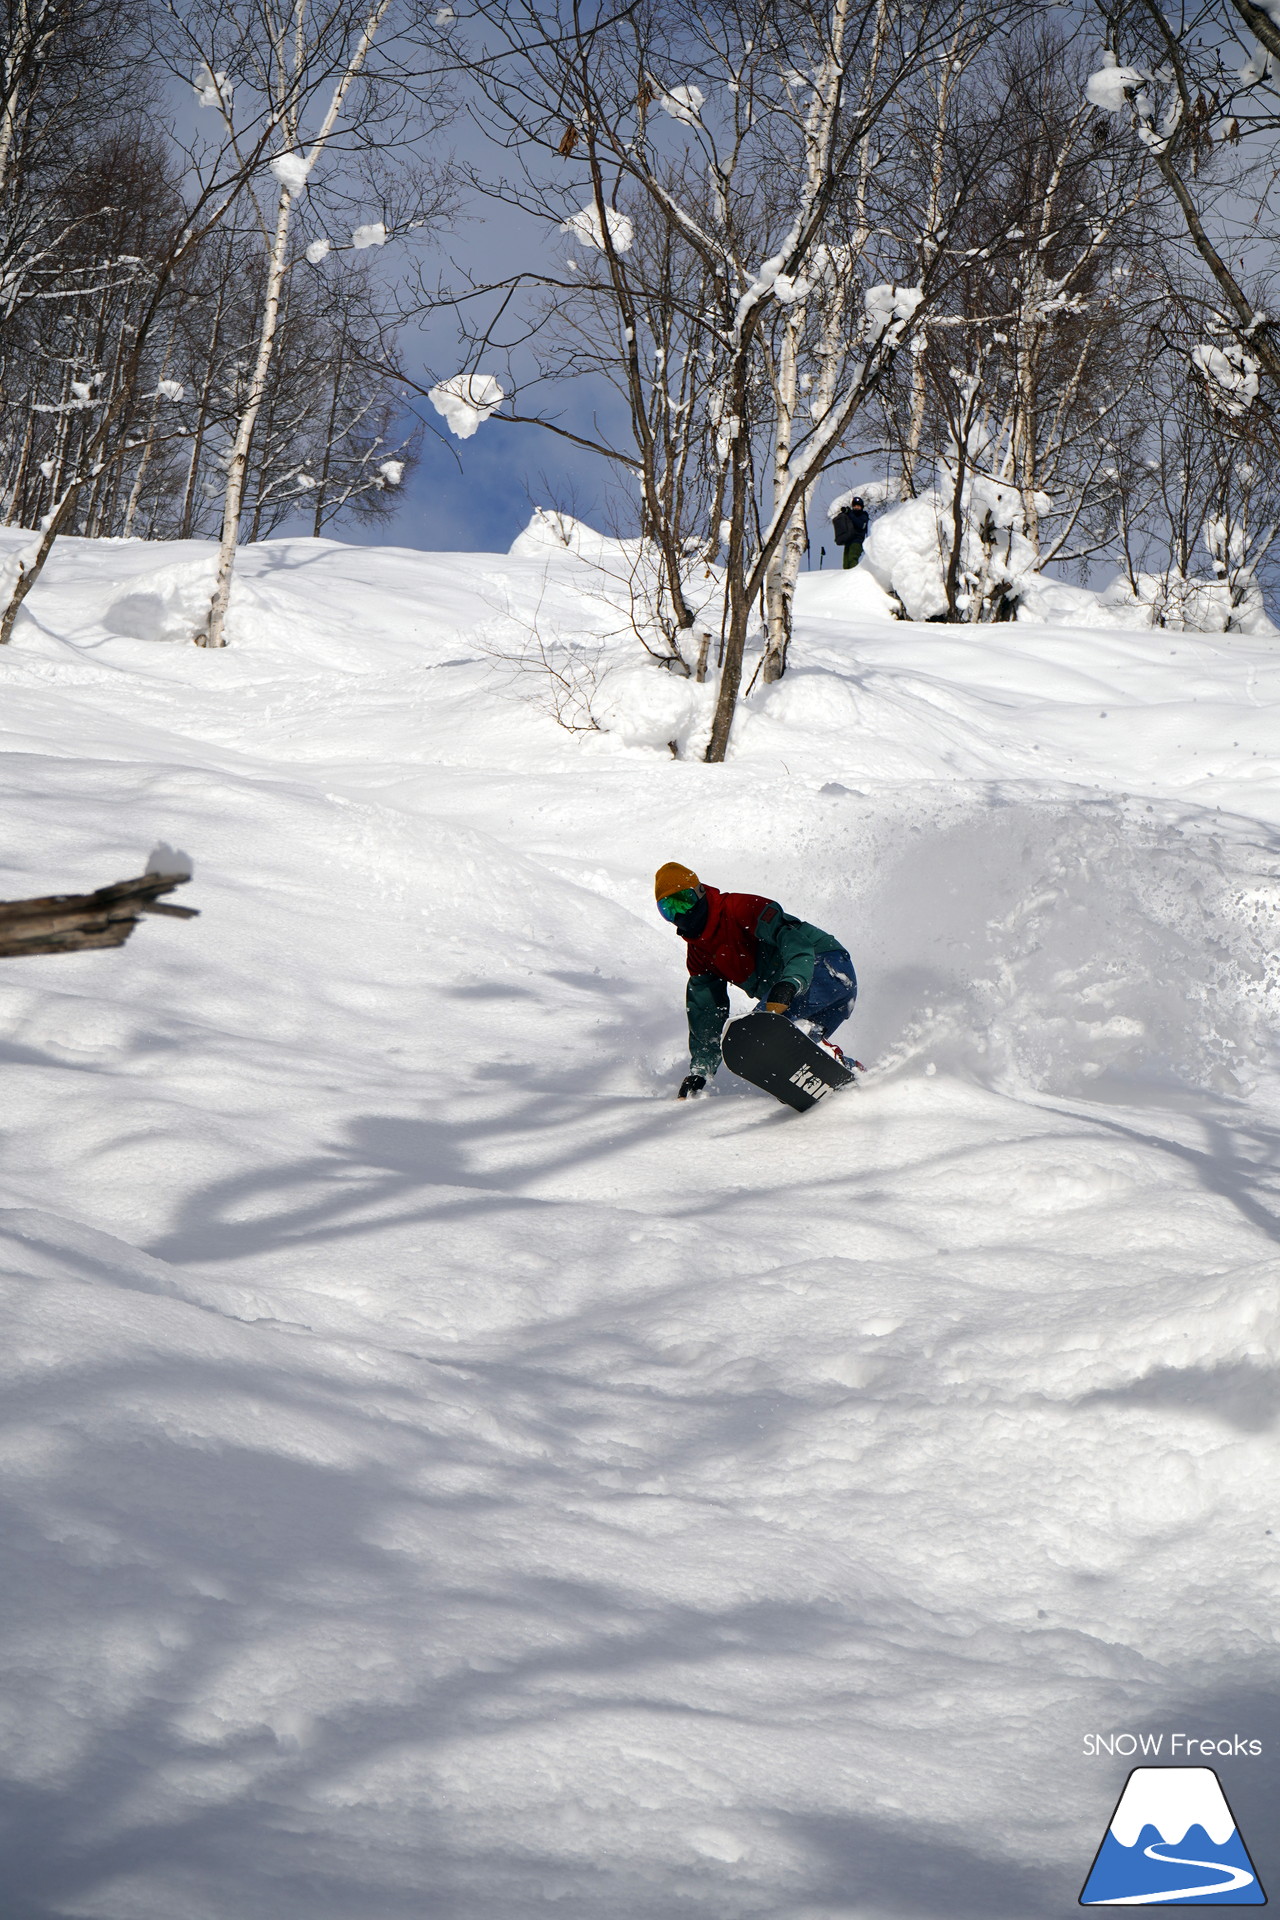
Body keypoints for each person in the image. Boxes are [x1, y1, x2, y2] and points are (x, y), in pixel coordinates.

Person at [654, 862, 857, 1098]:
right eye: (668, 909)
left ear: (699, 893)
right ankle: (852, 1077)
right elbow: (706, 1013)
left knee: (756, 1035)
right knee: (794, 1056)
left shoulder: (740, 908)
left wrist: (790, 982)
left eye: (684, 901)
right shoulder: (700, 955)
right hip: (816, 997)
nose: (680, 914)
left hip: (825, 968)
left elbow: (795, 942)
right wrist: (701, 1070)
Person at [831, 495, 870, 569]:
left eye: (858, 506)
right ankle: (846, 578)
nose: (856, 508)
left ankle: (853, 577)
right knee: (846, 563)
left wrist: (850, 514)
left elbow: (861, 525)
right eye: (855, 506)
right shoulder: (850, 514)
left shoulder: (863, 516)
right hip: (848, 541)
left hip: (857, 541)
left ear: (861, 507)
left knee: (852, 559)